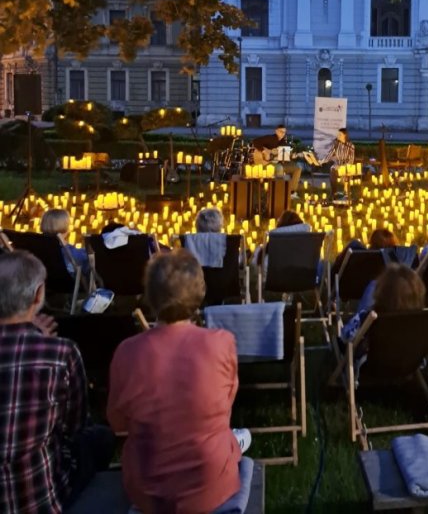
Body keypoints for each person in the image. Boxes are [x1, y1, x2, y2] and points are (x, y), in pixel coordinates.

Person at [107, 250, 252, 514]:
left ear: (150, 294)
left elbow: (117, 422)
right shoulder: (221, 343)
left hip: (147, 489)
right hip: (210, 485)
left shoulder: (127, 351)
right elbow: (225, 405)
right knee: (235, 437)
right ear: (199, 292)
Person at [0, 250, 114, 514]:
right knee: (101, 437)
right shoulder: (59, 353)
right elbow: (75, 425)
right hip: (37, 498)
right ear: (39, 295)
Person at [340, 263, 426, 344]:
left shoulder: (369, 318)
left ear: (380, 291)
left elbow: (346, 337)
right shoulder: (422, 323)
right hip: (410, 358)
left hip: (373, 359)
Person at [40, 207, 91, 279]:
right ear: (66, 228)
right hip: (68, 285)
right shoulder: (70, 252)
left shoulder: (37, 246)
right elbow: (88, 265)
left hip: (45, 283)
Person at [251, 124, 302, 192]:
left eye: (284, 132)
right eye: (281, 131)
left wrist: (293, 156)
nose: (283, 134)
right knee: (279, 168)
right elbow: (255, 141)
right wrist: (264, 151)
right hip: (264, 162)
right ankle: (278, 192)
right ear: (276, 131)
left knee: (298, 167)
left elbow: (285, 154)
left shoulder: (283, 143)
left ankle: (292, 191)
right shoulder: (270, 138)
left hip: (275, 163)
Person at [323, 127, 355, 198]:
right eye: (338, 134)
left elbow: (351, 160)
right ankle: (334, 193)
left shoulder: (350, 146)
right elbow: (329, 155)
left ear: (345, 135)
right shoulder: (336, 145)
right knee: (332, 169)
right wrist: (322, 161)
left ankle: (346, 192)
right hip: (337, 165)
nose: (338, 136)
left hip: (347, 166)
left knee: (347, 170)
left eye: (340, 134)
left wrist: (342, 167)